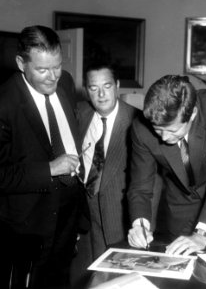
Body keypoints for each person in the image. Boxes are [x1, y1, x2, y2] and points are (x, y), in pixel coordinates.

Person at [0, 25, 90, 288]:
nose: (53, 77)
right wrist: (50, 168)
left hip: (68, 215)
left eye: (57, 66)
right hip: (29, 227)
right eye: (42, 70)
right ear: (20, 63)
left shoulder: (66, 83)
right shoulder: (4, 103)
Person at [127, 75, 206, 256]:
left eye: (173, 130)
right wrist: (140, 225)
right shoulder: (140, 129)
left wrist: (202, 234)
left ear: (192, 113)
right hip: (181, 205)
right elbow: (140, 186)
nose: (164, 138)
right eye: (158, 129)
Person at [70, 63, 140, 287]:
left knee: (114, 282)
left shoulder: (138, 122)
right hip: (82, 217)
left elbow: (150, 182)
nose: (100, 95)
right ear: (86, 90)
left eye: (107, 86)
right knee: (82, 279)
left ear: (117, 86)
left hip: (118, 219)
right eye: (93, 88)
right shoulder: (79, 113)